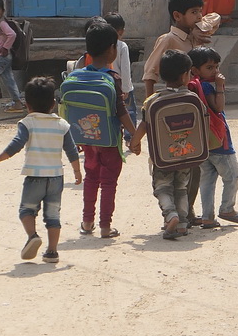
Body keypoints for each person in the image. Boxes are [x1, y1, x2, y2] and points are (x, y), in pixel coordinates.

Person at [142, 0, 219, 225]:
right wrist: (149, 111)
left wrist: (198, 23)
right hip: (170, 111)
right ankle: (175, 213)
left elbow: (214, 18)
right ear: (177, 15)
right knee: (173, 161)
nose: (199, 16)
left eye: (199, 11)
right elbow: (149, 74)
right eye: (193, 12)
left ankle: (188, 211)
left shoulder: (194, 35)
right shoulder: (169, 40)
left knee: (194, 160)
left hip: (194, 110)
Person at [0, 77, 82, 264]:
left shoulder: (27, 123)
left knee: (26, 210)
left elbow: (17, 144)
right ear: (53, 104)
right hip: (56, 178)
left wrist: (0, 157)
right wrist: (77, 171)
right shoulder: (62, 125)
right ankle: (52, 252)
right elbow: (71, 150)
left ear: (27, 105)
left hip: (34, 176)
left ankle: (32, 235)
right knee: (53, 216)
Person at [75, 22, 141, 239]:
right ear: (113, 49)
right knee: (109, 183)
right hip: (110, 141)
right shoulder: (112, 78)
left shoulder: (80, 76)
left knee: (91, 179)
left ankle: (87, 222)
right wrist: (134, 137)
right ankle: (105, 226)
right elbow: (121, 111)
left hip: (88, 140)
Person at [133, 50, 199, 240]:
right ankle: (183, 224)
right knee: (181, 188)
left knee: (162, 188)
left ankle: (170, 214)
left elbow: (144, 124)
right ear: (186, 75)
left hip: (162, 157)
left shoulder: (152, 101)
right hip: (187, 155)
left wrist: (135, 143)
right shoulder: (192, 100)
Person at [187, 47, 238, 229]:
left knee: (207, 180)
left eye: (216, 67)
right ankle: (227, 208)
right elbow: (218, 107)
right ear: (196, 70)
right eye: (210, 67)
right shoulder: (205, 86)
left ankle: (207, 216)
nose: (215, 71)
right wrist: (220, 87)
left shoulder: (193, 85)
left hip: (204, 143)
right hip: (219, 143)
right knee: (233, 176)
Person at [105, 12, 138, 138]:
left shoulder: (102, 45)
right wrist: (126, 88)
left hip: (108, 84)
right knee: (129, 111)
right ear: (121, 31)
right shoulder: (122, 46)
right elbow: (125, 68)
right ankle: (130, 137)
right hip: (122, 85)